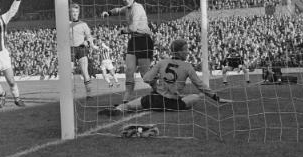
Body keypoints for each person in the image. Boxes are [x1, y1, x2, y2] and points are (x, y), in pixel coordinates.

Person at [99, 39, 232, 116]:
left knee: (128, 106)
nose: (187, 51)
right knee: (196, 96)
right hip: (172, 104)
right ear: (179, 52)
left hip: (154, 99)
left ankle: (117, 110)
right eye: (185, 49)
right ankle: (179, 99)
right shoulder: (187, 66)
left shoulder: (162, 62)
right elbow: (201, 86)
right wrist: (217, 98)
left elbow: (146, 78)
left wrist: (157, 83)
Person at [101, 0, 155, 102]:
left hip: (144, 40)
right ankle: (126, 98)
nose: (127, 0)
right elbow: (118, 10)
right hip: (133, 41)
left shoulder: (137, 8)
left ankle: (159, 89)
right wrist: (108, 13)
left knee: (145, 74)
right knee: (129, 70)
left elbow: (134, 27)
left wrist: (121, 31)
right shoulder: (127, 8)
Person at [69, 3, 98, 98]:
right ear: (70, 13)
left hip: (81, 48)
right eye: (73, 12)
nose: (74, 14)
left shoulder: (83, 24)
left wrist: (87, 42)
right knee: (69, 72)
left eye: (76, 12)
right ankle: (70, 93)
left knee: (84, 72)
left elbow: (89, 36)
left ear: (79, 13)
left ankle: (89, 94)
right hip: (71, 49)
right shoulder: (66, 24)